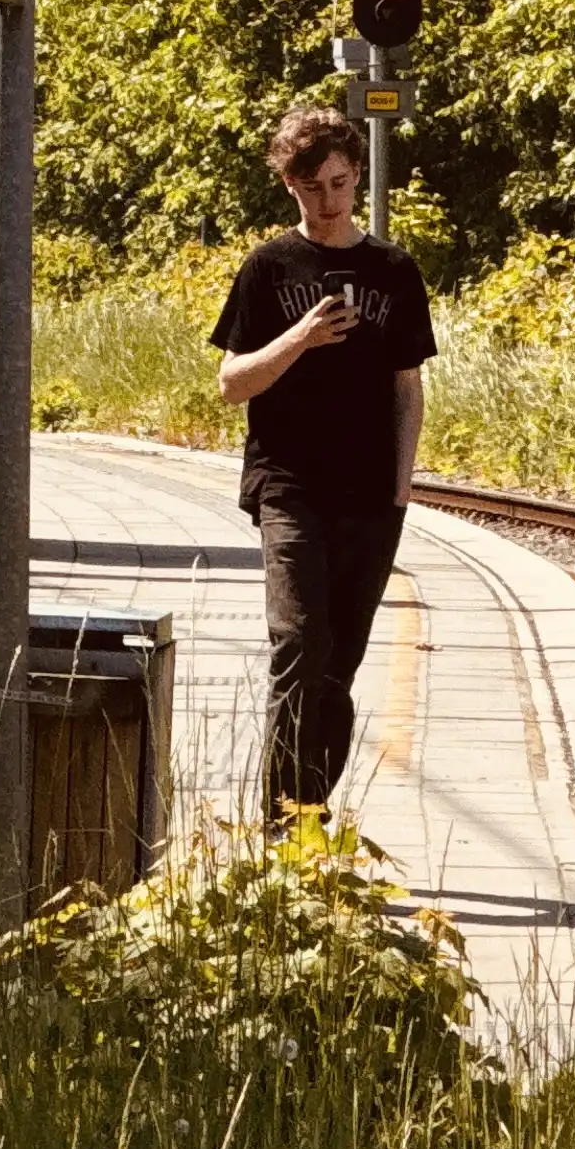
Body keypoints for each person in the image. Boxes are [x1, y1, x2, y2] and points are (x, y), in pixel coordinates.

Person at [207, 105, 435, 817]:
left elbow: (408, 387)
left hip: (370, 496)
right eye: (311, 189)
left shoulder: (394, 271)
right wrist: (298, 338)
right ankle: (281, 815)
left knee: (337, 668)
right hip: (288, 485)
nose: (328, 203)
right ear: (289, 187)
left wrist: (400, 491)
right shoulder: (270, 268)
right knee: (299, 646)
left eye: (338, 184)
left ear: (356, 175)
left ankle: (309, 809)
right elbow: (230, 382)